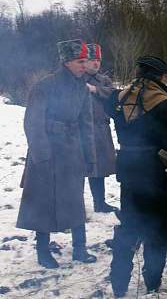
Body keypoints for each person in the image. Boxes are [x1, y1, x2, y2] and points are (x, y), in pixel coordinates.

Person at [107, 55, 167, 297]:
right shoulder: (163, 103)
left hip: (129, 171)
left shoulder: (119, 99)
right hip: (155, 173)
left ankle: (119, 284)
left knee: (129, 226)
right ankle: (152, 283)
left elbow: (105, 97)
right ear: (160, 77)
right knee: (156, 230)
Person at [17, 39, 97, 269]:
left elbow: (86, 124)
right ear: (67, 62)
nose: (85, 65)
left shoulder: (82, 89)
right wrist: (41, 155)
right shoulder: (44, 86)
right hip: (47, 152)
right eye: (80, 61)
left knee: (75, 200)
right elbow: (32, 123)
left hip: (72, 151)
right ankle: (43, 252)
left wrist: (89, 157)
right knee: (43, 203)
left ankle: (80, 249)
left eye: (85, 61)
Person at [84, 43, 117, 213]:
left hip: (101, 129)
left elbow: (113, 95)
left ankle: (100, 202)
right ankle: (73, 203)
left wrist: (95, 89)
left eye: (98, 60)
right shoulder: (78, 78)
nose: (96, 63)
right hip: (81, 131)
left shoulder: (104, 80)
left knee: (100, 168)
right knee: (80, 168)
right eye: (91, 60)